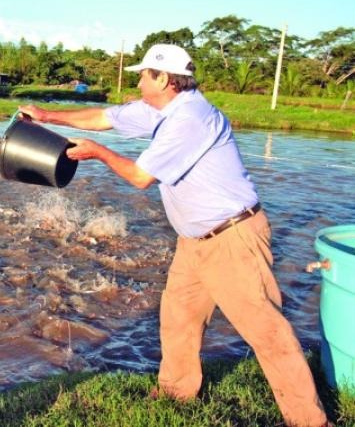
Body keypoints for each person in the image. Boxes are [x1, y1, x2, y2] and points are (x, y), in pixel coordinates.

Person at [19, 44, 328, 427]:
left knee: (266, 331)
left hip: (232, 238)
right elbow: (104, 116)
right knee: (179, 317)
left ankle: (310, 420)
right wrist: (46, 115)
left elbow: (140, 178)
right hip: (195, 241)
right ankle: (176, 392)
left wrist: (99, 153)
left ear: (163, 79)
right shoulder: (162, 110)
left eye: (143, 74)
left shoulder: (190, 119)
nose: (137, 79)